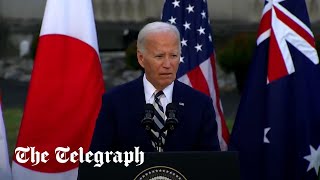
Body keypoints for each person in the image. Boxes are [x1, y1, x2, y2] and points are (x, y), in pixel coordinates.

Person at [89, 21, 220, 153]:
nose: (168, 64)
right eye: (159, 56)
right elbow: (98, 161)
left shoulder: (200, 104)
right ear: (141, 58)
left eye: (173, 56)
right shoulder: (115, 101)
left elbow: (211, 165)